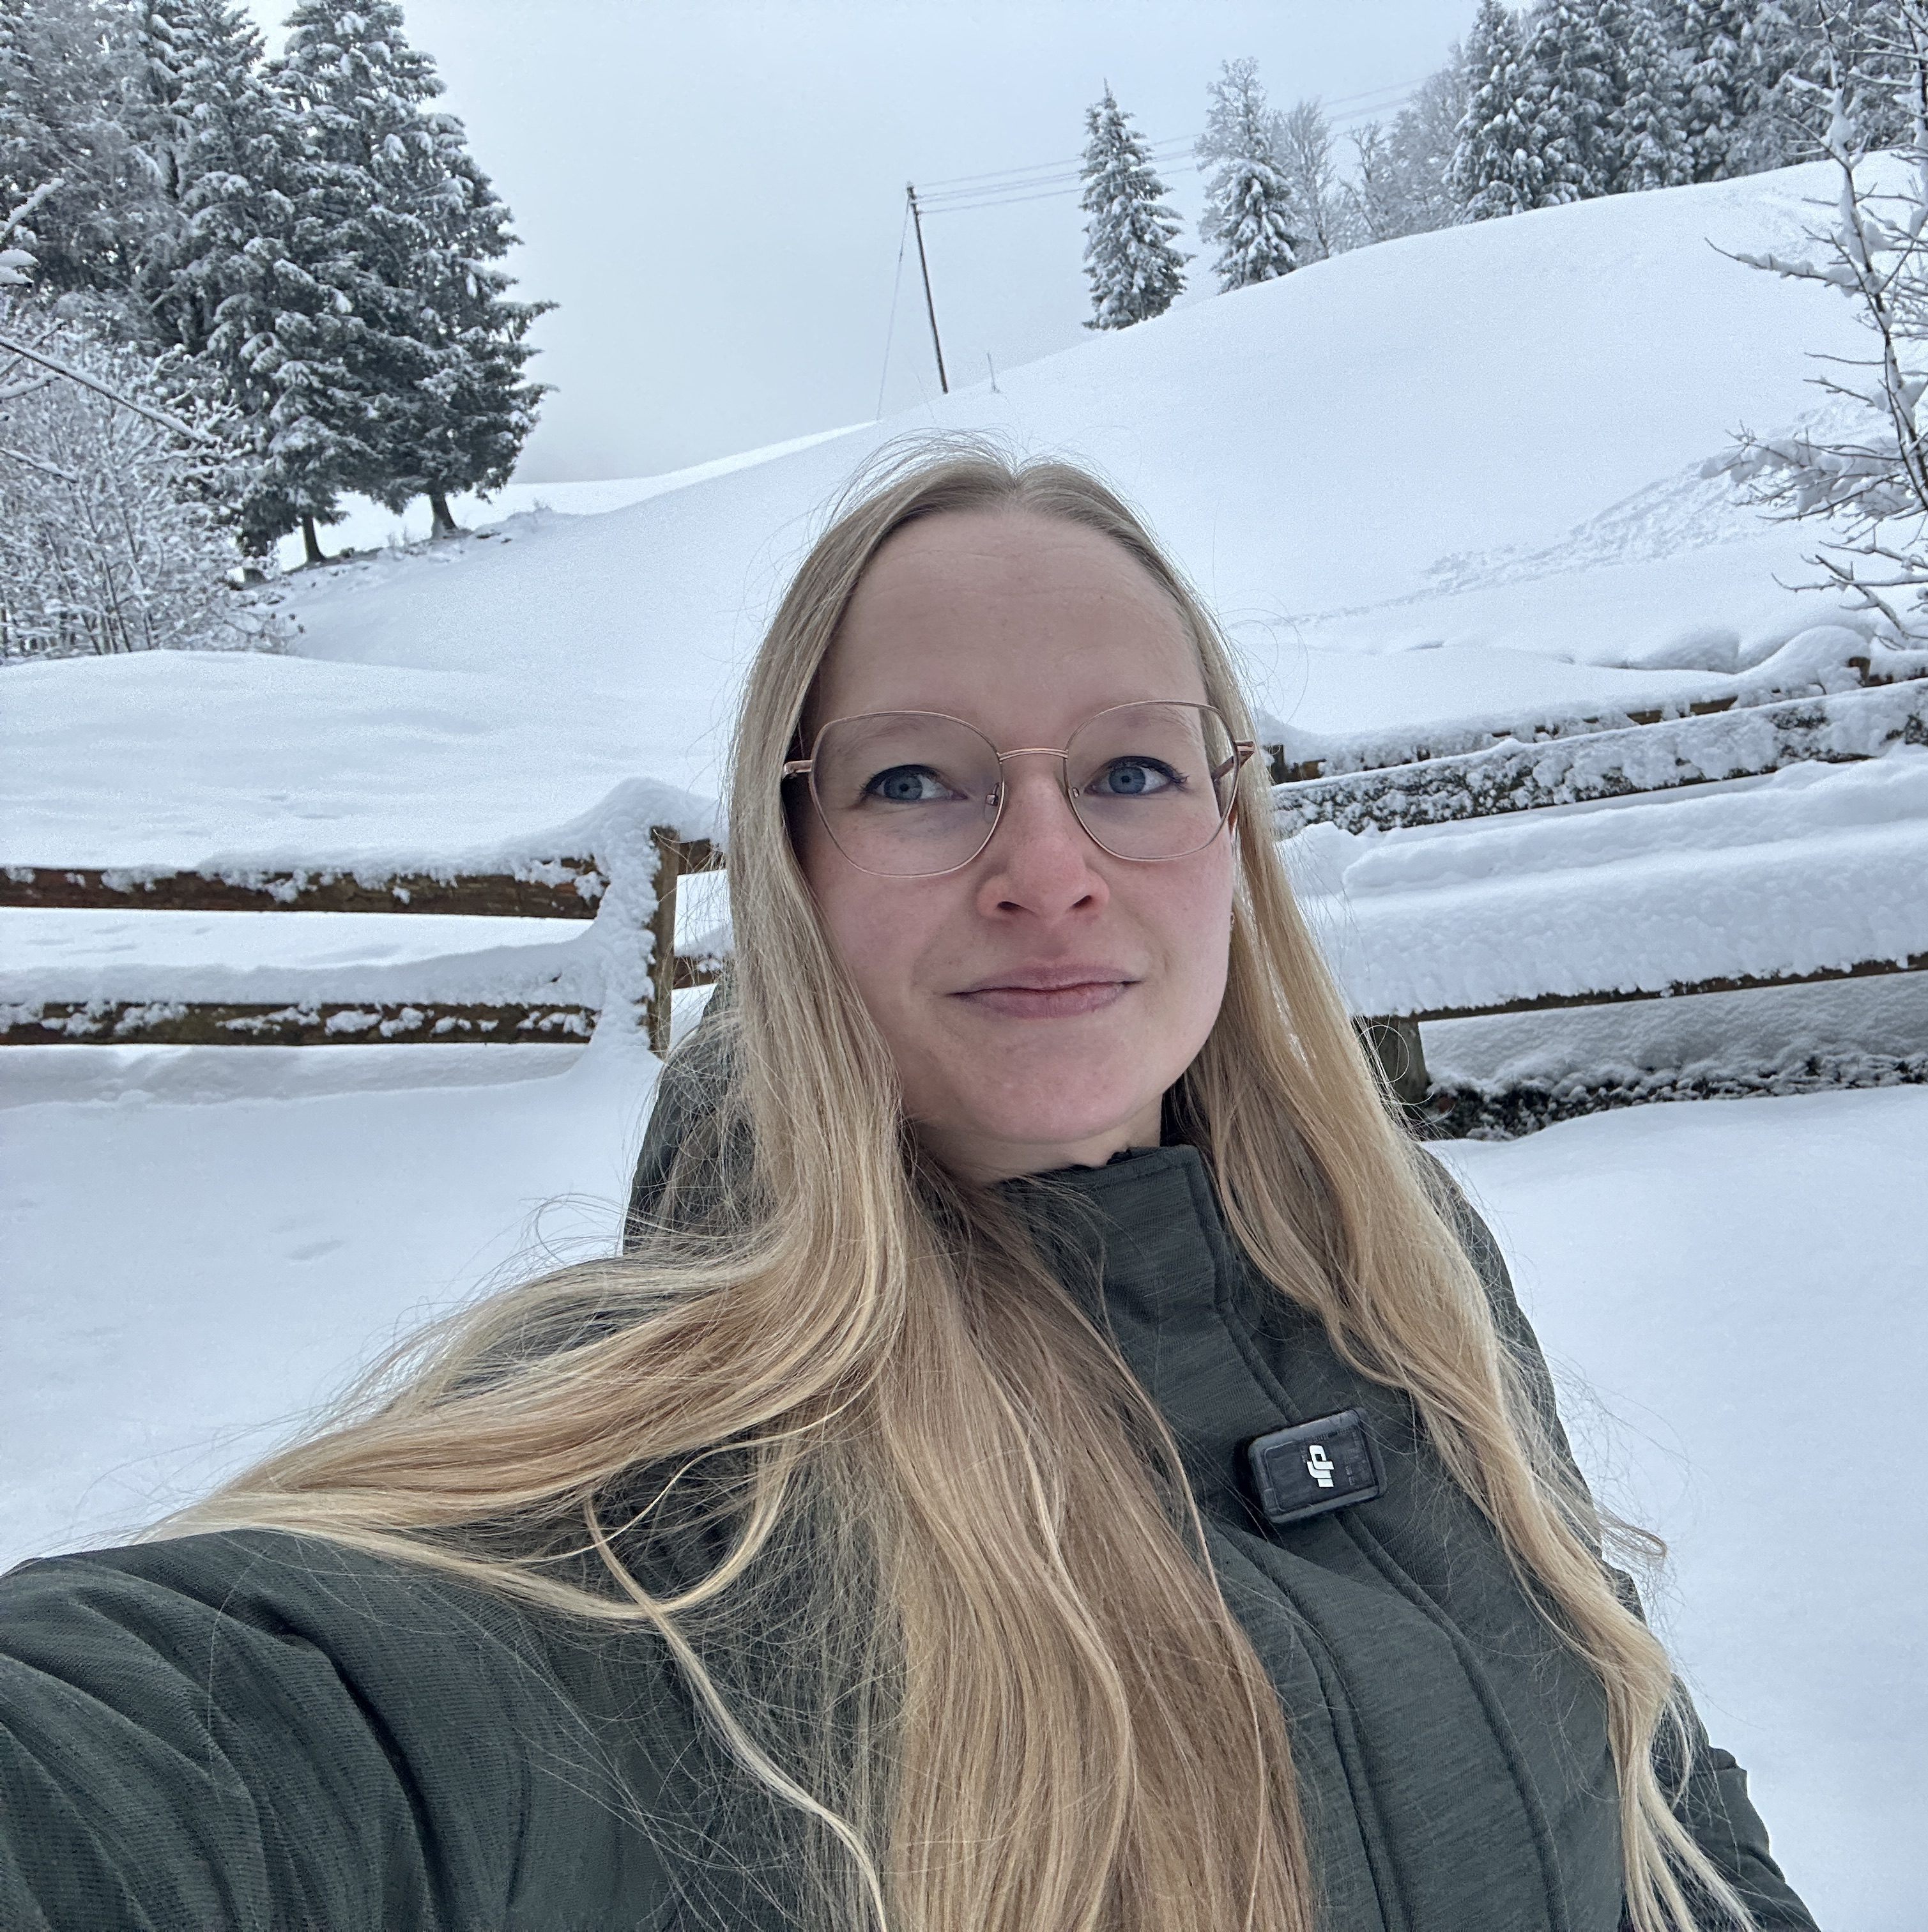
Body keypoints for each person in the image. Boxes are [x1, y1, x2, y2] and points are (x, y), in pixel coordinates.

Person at [0, 439, 1819, 1932]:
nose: (1048, 866)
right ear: (795, 860)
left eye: (1128, 769)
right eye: (920, 782)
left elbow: (1646, 1758)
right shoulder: (681, 1483)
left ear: (1232, 827)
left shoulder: (1394, 1255)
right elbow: (250, 1740)